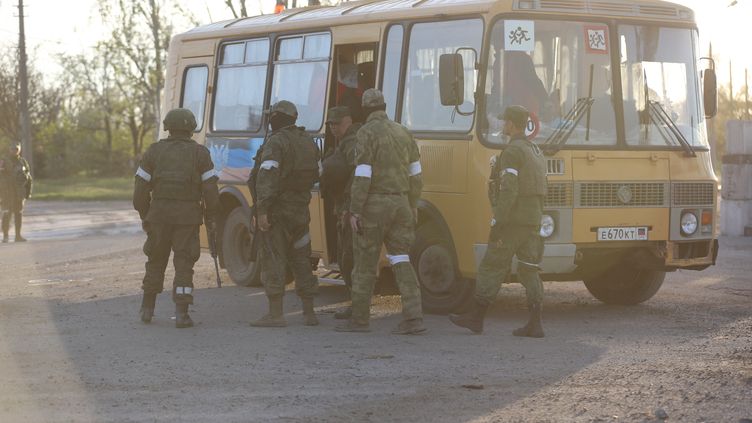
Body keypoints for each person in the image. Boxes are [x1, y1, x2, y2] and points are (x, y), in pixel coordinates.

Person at [449, 105, 548, 338]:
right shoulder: (536, 150)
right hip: (533, 220)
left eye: (505, 122)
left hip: (512, 221)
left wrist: (499, 220)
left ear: (512, 125)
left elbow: (509, 189)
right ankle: (535, 323)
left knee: (492, 266)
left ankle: (476, 317)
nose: (503, 126)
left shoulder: (512, 152)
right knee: (529, 270)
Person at [335, 89, 425, 335]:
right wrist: (413, 204)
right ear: (385, 106)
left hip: (374, 207)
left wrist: (354, 211)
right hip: (402, 205)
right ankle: (413, 318)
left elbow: (363, 175)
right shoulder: (403, 132)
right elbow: (416, 175)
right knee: (401, 259)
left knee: (365, 263)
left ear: (365, 111)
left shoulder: (365, 133)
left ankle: (360, 320)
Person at [133, 108, 219, 328]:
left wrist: (146, 216)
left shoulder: (153, 152)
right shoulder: (200, 154)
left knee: (155, 261)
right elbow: (211, 191)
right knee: (184, 264)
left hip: (159, 216)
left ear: (168, 127)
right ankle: (181, 314)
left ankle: (147, 309)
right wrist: (211, 217)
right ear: (191, 128)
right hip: (187, 219)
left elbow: (140, 192)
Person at [249, 100, 321, 328]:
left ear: (277, 118)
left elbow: (267, 177)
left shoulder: (277, 142)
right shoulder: (307, 141)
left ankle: (275, 314)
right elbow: (316, 174)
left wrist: (262, 211)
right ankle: (309, 313)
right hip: (300, 211)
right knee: (301, 260)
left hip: (278, 212)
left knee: (273, 258)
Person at [321, 106, 361, 320]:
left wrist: (348, 207)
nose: (333, 128)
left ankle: (357, 306)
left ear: (348, 121)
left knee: (349, 258)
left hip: (350, 209)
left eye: (337, 123)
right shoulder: (344, 143)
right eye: (330, 124)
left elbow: (357, 176)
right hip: (346, 208)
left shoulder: (352, 142)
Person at [0, 142, 32, 243]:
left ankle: (18, 236)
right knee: (7, 214)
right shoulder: (3, 161)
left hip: (19, 193)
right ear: (9, 149)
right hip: (7, 192)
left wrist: (28, 192)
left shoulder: (23, 162)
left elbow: (28, 177)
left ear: (19, 150)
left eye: (16, 149)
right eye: (12, 149)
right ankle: (5, 236)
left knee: (18, 214)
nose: (14, 151)